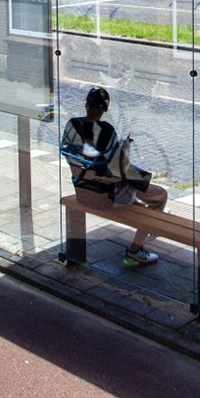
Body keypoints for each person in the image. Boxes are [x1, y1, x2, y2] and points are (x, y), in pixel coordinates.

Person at [61, 87, 167, 267]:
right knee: (160, 195)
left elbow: (80, 157)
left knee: (138, 184)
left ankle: (141, 208)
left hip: (82, 192)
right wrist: (125, 149)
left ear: (86, 105)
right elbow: (119, 170)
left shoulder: (72, 125)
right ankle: (134, 251)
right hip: (106, 198)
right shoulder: (107, 130)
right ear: (104, 110)